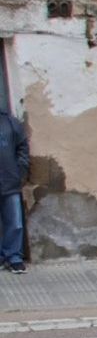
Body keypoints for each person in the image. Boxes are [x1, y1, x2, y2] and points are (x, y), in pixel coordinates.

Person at [1, 108, 29, 273]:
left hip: (10, 181)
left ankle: (14, 257)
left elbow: (22, 148)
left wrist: (20, 172)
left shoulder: (10, 122)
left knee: (15, 223)